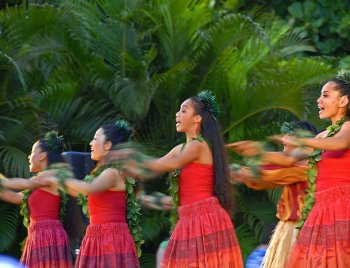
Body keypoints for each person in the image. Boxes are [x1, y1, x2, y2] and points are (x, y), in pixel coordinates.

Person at [229, 70, 350, 267]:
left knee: (342, 259)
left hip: (344, 204)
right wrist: (258, 151)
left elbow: (339, 143)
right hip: (320, 207)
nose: (319, 100)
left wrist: (301, 140)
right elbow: (288, 159)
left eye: (325, 95)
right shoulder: (320, 137)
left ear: (343, 101)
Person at [112, 91, 243, 267]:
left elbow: (169, 164)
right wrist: (127, 169)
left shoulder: (199, 145)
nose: (177, 114)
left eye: (183, 110)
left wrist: (134, 156)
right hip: (187, 220)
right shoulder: (180, 148)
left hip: (204, 219)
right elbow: (153, 168)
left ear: (197, 119)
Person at [38, 121, 142, 268]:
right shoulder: (99, 173)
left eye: (96, 138)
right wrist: (56, 183)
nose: (91, 143)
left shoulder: (112, 172)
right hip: (96, 235)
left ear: (108, 145)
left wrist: (60, 178)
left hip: (110, 237)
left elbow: (89, 188)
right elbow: (81, 192)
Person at [229, 121, 317, 268]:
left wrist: (249, 168)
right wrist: (245, 174)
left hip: (305, 229)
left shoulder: (310, 165)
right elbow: (271, 176)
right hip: (289, 230)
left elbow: (278, 171)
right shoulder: (292, 167)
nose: (284, 148)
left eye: (288, 143)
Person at [0, 131, 79, 268]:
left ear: (42, 156)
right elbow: (16, 197)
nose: (29, 157)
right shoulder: (39, 184)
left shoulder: (51, 176)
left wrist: (3, 182)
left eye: (32, 152)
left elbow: (26, 183)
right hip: (38, 234)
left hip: (48, 235)